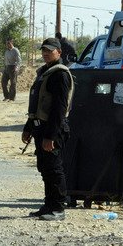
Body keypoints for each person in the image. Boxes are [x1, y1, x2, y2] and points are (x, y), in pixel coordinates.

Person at [22, 38, 74, 221]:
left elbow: (59, 109)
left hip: (54, 129)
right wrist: (28, 128)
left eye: (50, 50)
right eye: (43, 50)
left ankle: (59, 208)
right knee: (45, 168)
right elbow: (37, 105)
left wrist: (50, 136)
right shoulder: (45, 72)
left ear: (59, 52)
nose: (45, 53)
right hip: (40, 127)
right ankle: (49, 205)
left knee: (54, 168)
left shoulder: (60, 74)